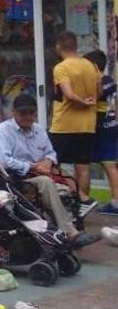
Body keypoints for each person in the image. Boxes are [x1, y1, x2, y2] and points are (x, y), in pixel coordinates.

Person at [0, 94, 101, 248]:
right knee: (47, 183)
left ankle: (70, 224)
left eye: (31, 113)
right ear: (13, 112)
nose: (28, 116)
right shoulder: (3, 131)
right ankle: (70, 232)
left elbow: (51, 152)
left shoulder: (39, 129)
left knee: (69, 184)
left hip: (40, 173)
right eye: (23, 113)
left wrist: (48, 161)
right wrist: (33, 166)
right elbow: (4, 161)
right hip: (16, 178)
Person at [50, 31, 101, 216]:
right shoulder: (90, 65)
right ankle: (82, 203)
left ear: (58, 46)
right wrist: (89, 101)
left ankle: (68, 201)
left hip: (64, 124)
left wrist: (82, 101)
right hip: (87, 124)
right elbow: (99, 92)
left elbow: (69, 95)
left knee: (52, 164)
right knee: (83, 166)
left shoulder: (61, 67)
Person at [83, 50, 118, 216]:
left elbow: (96, 97)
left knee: (106, 164)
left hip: (103, 127)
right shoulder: (110, 81)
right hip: (111, 124)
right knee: (107, 164)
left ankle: (115, 202)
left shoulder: (102, 82)